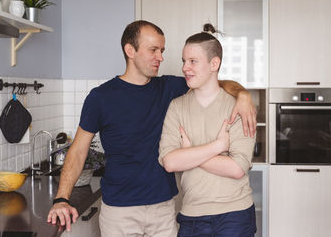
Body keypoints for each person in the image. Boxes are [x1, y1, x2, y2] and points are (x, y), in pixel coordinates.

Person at [47, 20, 256, 236]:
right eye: (153, 50)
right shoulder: (100, 97)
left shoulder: (169, 88)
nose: (161, 57)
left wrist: (243, 95)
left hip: (163, 209)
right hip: (119, 212)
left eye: (162, 50)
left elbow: (213, 80)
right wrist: (62, 199)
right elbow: (79, 150)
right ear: (130, 50)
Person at [159, 24, 257, 237]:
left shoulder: (239, 107)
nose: (185, 67)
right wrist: (218, 146)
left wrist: (191, 152)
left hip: (235, 214)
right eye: (184, 61)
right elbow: (170, 162)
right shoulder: (177, 106)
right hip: (192, 216)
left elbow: (237, 168)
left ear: (214, 63)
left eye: (193, 61)